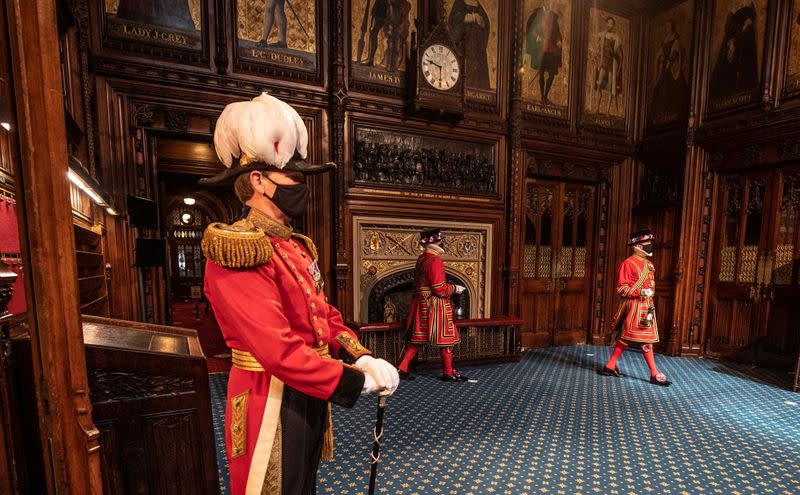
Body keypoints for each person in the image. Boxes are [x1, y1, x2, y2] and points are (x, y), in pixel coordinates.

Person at [201, 93, 400, 495]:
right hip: (268, 397)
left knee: (303, 486)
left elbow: (322, 315)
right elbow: (277, 350)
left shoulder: (293, 245)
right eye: (293, 177)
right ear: (258, 180)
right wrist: (352, 381)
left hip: (307, 390)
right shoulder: (238, 249)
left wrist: (360, 353)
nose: (301, 185)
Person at [599, 229, 671, 387]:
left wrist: (649, 294)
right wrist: (639, 291)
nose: (650, 247)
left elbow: (651, 285)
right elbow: (621, 288)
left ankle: (610, 365)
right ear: (637, 245)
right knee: (637, 338)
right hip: (634, 306)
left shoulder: (649, 264)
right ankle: (653, 373)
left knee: (631, 338)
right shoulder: (628, 264)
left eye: (650, 244)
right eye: (647, 245)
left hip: (647, 307)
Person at [396, 228, 469, 382]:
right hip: (435, 306)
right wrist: (455, 288)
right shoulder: (435, 260)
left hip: (421, 303)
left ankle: (402, 368)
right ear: (437, 242)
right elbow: (439, 289)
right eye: (441, 240)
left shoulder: (421, 258)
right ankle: (448, 372)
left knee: (417, 339)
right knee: (447, 340)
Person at [525, 0, 563, 105]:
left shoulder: (553, 17)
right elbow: (531, 29)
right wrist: (537, 36)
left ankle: (545, 96)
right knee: (541, 73)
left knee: (551, 74)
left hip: (551, 49)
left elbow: (557, 31)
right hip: (540, 49)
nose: (549, 3)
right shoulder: (537, 14)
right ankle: (542, 97)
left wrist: (559, 40)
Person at [448, 0, 491, 90]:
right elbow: (453, 23)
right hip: (464, 48)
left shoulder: (478, 5)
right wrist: (465, 19)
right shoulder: (459, 3)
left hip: (477, 51)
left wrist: (481, 21)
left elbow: (486, 24)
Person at [593, 16, 623, 115]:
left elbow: (620, 55)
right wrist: (597, 58)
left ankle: (607, 111)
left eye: (612, 23)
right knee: (599, 84)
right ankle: (597, 109)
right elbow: (596, 48)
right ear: (606, 24)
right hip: (604, 61)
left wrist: (617, 57)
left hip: (612, 64)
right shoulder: (602, 35)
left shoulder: (616, 38)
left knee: (610, 87)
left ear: (613, 25)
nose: (610, 25)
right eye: (608, 23)